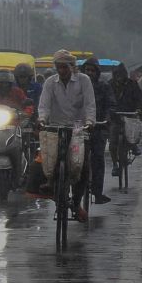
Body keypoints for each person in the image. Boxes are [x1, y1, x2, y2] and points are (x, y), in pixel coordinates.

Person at [35, 49, 96, 220]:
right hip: (55, 128)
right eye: (59, 68)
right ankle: (53, 188)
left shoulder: (84, 81)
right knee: (47, 160)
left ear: (72, 67)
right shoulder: (50, 83)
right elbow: (44, 105)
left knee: (82, 167)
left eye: (64, 68)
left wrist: (90, 122)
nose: (62, 71)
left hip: (78, 129)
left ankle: (76, 204)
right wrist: (42, 120)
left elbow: (90, 104)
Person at [79, 59, 114, 205]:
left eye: (92, 70)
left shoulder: (104, 86)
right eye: (87, 70)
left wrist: (107, 118)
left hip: (99, 127)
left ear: (97, 72)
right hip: (80, 127)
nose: (90, 73)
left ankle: (98, 193)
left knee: (98, 158)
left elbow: (110, 105)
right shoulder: (77, 86)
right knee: (76, 158)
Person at [109, 64, 142, 170]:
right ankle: (115, 165)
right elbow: (106, 99)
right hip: (115, 116)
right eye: (117, 75)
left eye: (121, 75)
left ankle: (133, 145)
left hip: (130, 115)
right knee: (112, 143)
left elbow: (140, 99)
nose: (119, 77)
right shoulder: (109, 85)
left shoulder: (132, 84)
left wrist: (139, 109)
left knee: (132, 134)